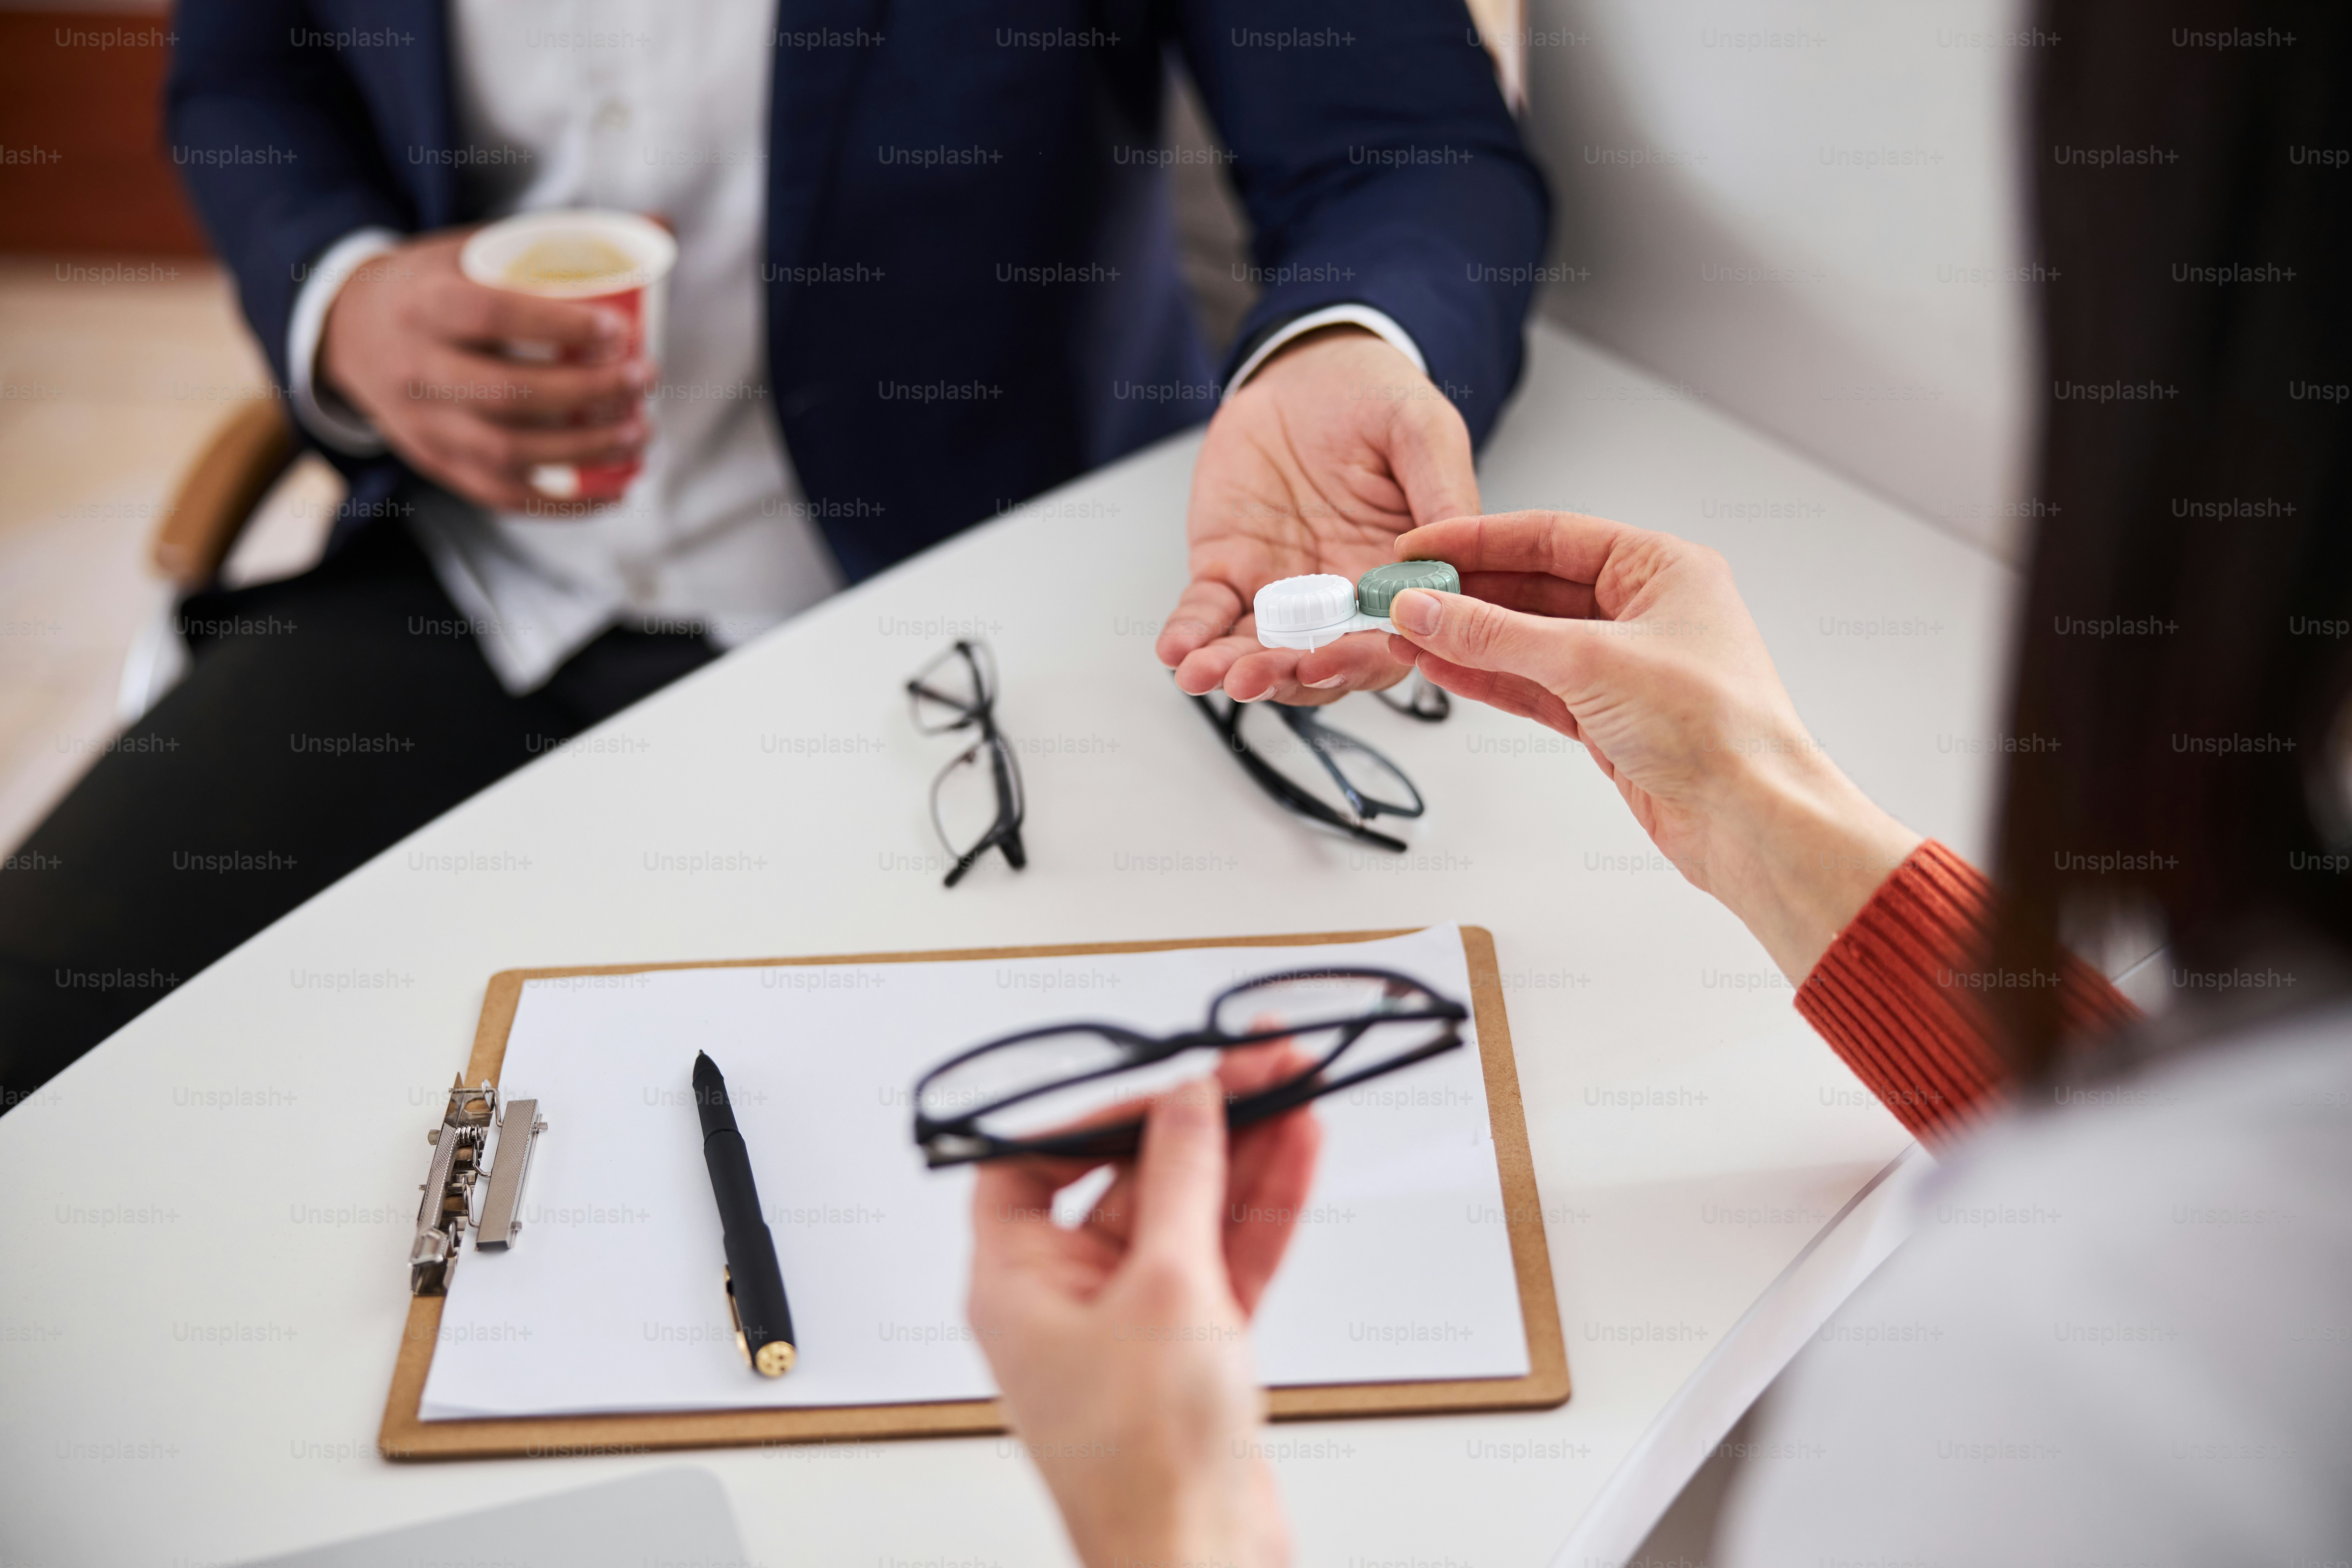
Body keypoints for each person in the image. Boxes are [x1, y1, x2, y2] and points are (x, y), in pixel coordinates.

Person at [974, 0, 2352, 1561]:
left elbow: (2175, 1246)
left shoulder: (2077, 1400)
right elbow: (2194, 1190)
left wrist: (1174, 1511)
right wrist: (1751, 802)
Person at [0, 1, 1547, 1102]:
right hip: (458, 594)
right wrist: (340, 295)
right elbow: (241, 75)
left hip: (967, 641)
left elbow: (1407, 146)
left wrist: (1343, 347)